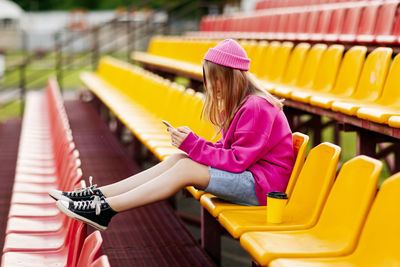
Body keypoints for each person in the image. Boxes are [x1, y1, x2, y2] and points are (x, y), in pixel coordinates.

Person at [50, 39, 295, 231]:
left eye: (216, 80)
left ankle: (105, 209)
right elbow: (227, 150)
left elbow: (237, 162)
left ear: (231, 78)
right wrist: (192, 145)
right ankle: (98, 196)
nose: (211, 87)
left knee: (184, 169)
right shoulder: (243, 104)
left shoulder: (256, 107)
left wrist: (194, 145)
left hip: (264, 189)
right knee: (178, 160)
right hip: (251, 179)